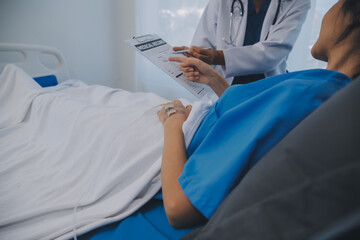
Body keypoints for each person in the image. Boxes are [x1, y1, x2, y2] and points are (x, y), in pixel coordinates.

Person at [1, 1, 359, 239]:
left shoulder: (307, 92)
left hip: (174, 132)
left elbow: (179, 206)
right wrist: (215, 78)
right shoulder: (321, 89)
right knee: (80, 103)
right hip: (193, 119)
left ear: (349, 21)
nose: (328, 11)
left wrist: (172, 121)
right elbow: (253, 122)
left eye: (338, 3)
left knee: (69, 110)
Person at [173, 0, 311, 90]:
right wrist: (195, 55)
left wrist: (219, 57)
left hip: (268, 88)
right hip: (223, 87)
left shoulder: (297, 2)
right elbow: (203, 42)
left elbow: (274, 52)